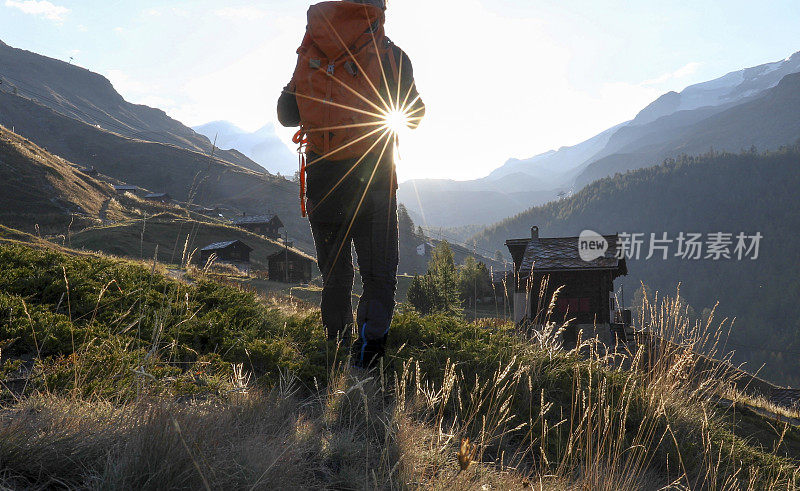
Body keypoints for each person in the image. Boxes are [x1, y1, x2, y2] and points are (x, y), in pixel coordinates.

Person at [277, 0, 425, 368]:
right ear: (379, 11)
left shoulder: (311, 51)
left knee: (336, 272)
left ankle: (333, 351)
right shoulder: (392, 56)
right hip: (373, 181)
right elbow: (413, 117)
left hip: (323, 180)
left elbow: (285, 114)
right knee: (379, 274)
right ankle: (367, 360)